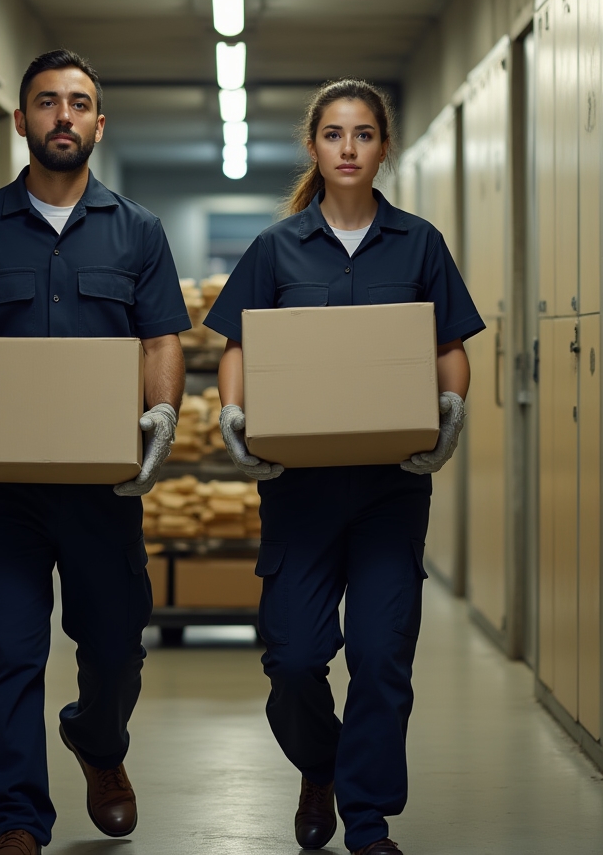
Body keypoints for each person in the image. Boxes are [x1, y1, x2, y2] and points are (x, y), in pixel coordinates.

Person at [0, 49, 191, 855]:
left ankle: (98, 745)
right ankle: (19, 823)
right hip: (6, 494)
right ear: (23, 119)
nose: (62, 115)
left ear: (99, 124)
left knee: (113, 649)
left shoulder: (138, 231)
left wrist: (162, 413)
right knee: (11, 652)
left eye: (78, 103)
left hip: (104, 491)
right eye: (46, 102)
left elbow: (160, 337)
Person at [204, 79, 484, 855]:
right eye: (334, 134)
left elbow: (449, 348)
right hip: (300, 488)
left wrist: (450, 411)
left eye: (363, 134)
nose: (349, 148)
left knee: (380, 653)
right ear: (315, 148)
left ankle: (367, 820)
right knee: (294, 657)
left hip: (393, 484)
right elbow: (238, 349)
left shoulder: (420, 244)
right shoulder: (276, 248)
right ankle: (320, 764)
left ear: (383, 147)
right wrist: (234, 415)